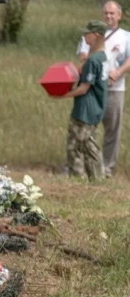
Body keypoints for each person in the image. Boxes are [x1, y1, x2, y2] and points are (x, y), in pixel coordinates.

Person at [76, 0, 130, 178]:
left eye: (112, 13)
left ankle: (107, 168)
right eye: (106, 13)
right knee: (86, 127)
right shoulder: (92, 34)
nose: (108, 16)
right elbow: (83, 56)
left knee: (112, 130)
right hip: (93, 89)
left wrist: (118, 72)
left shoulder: (126, 37)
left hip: (116, 89)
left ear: (119, 16)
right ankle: (84, 166)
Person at [54, 21, 109, 181]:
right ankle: (90, 176)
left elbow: (84, 88)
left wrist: (63, 95)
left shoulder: (93, 61)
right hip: (94, 107)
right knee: (83, 143)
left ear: (96, 35)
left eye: (87, 33)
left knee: (79, 145)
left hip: (86, 109)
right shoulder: (101, 57)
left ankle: (87, 177)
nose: (84, 36)